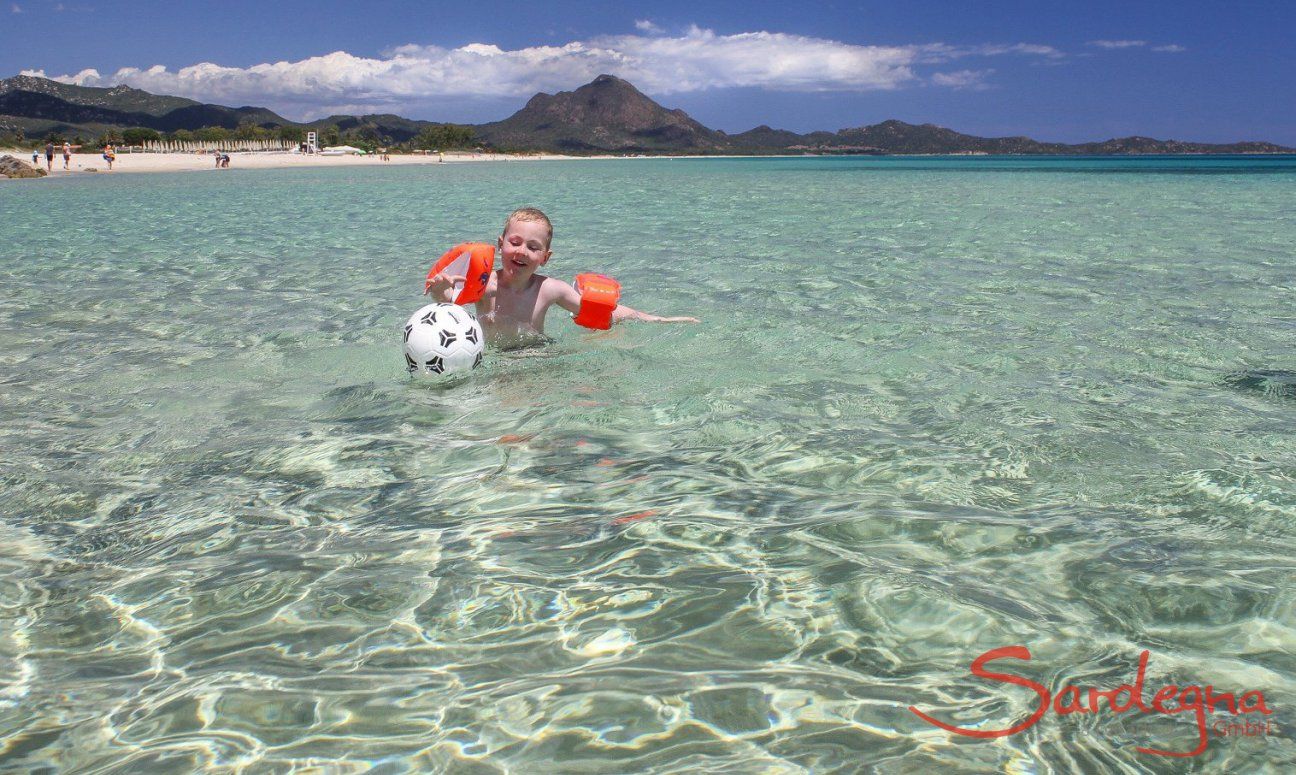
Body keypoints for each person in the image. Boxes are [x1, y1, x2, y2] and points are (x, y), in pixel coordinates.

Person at [426, 207, 698, 348]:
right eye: (515, 242)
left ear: (545, 256)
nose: (522, 251)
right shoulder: (487, 285)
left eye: (533, 248)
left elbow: (601, 311)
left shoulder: (550, 290)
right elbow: (450, 307)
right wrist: (440, 291)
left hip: (537, 354)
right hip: (495, 357)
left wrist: (655, 319)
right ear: (500, 244)